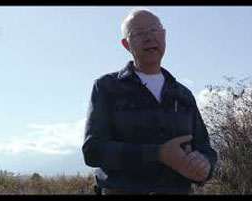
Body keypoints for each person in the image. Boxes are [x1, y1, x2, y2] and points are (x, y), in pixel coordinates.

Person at [82, 8, 217, 195]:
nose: (149, 37)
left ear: (164, 35)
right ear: (126, 45)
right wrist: (159, 154)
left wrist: (204, 166)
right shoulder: (107, 88)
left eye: (154, 30)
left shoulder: (182, 94)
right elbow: (93, 150)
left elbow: (205, 149)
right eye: (138, 33)